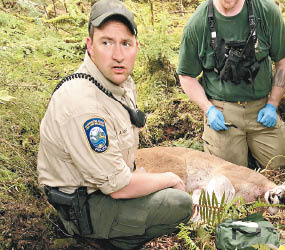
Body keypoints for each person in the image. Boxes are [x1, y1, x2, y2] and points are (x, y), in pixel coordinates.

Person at [37, 0, 193, 249]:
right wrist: (170, 177)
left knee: (155, 187)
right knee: (179, 204)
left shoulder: (117, 84)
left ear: (136, 47)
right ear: (90, 46)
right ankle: (99, 243)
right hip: (82, 210)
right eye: (106, 42)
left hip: (99, 188)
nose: (118, 55)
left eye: (126, 44)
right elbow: (118, 188)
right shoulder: (84, 104)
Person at [177, 0, 285, 169]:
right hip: (223, 112)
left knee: (284, 166)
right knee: (228, 176)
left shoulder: (266, 11)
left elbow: (284, 60)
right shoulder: (198, 23)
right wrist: (208, 109)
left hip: (261, 107)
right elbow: (186, 76)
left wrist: (273, 103)